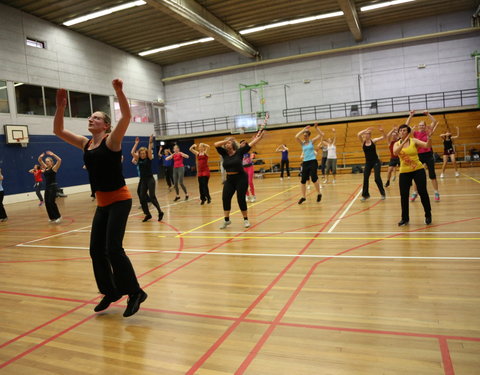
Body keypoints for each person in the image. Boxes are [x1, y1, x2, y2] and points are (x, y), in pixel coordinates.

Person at [53, 79, 147, 317]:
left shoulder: (111, 141)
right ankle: (111, 291)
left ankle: (135, 292)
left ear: (105, 125)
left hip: (120, 200)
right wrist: (60, 108)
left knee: (113, 249)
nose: (90, 119)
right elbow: (58, 131)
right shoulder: (86, 144)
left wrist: (119, 92)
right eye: (90, 117)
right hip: (103, 204)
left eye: (95, 117)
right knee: (96, 251)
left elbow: (125, 117)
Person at [215, 126, 266, 229]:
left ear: (233, 144)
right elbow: (215, 144)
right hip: (230, 179)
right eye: (226, 143)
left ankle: (246, 219)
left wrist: (260, 137)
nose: (227, 144)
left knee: (240, 199)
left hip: (241, 178)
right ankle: (226, 220)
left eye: (229, 142)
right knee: (225, 198)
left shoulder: (239, 152)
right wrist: (226, 141)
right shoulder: (224, 153)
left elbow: (251, 144)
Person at [393, 124, 432, 226]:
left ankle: (428, 215)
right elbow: (395, 153)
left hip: (418, 169)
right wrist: (403, 143)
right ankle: (405, 218)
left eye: (404, 130)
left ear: (408, 132)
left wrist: (430, 137)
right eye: (400, 130)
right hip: (404, 172)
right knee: (404, 196)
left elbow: (427, 146)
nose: (402, 132)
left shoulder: (414, 141)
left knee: (423, 192)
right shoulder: (397, 143)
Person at [408, 110, 440, 201]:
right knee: (416, 175)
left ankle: (436, 192)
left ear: (425, 126)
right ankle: (415, 193)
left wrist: (428, 114)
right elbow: (406, 125)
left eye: (423, 125)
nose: (421, 126)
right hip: (418, 156)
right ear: (418, 127)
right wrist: (411, 116)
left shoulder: (428, 132)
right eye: (420, 125)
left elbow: (434, 122)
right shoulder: (415, 133)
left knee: (432, 175)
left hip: (428, 155)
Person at [131, 135, 164, 222]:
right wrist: (136, 144)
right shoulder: (138, 159)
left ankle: (160, 212)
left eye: (143, 153)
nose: (142, 154)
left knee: (152, 196)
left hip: (150, 179)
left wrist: (150, 142)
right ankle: (147, 214)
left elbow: (149, 150)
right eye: (141, 153)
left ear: (145, 153)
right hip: (143, 180)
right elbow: (132, 153)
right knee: (142, 197)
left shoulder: (149, 158)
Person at [295, 123, 322, 204]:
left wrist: (316, 128)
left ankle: (319, 193)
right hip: (305, 163)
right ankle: (303, 197)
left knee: (314, 178)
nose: (304, 137)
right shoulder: (302, 143)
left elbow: (321, 135)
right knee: (303, 181)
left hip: (313, 161)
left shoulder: (311, 141)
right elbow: (296, 137)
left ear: (308, 136)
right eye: (304, 135)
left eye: (306, 135)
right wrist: (303, 129)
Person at [358, 127, 386, 201]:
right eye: (365, 134)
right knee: (365, 178)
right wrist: (365, 130)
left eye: (367, 134)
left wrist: (382, 131)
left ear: (370, 135)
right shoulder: (362, 143)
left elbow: (383, 137)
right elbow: (358, 134)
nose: (366, 135)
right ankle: (365, 195)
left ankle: (382, 193)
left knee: (377, 178)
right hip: (368, 162)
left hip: (376, 161)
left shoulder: (373, 141)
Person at [38, 151, 62, 223]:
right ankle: (52, 217)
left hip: (53, 187)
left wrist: (53, 154)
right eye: (46, 161)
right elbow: (39, 160)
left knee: (51, 201)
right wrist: (41, 157)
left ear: (51, 162)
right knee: (47, 203)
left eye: (48, 161)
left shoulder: (54, 168)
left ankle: (58, 216)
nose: (47, 162)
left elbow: (59, 160)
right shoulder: (45, 168)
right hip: (47, 187)